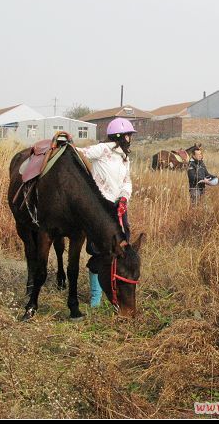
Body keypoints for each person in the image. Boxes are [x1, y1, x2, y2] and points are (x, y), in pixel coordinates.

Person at [78, 117, 135, 308]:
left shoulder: (125, 158)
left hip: (119, 209)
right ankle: (95, 297)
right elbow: (81, 153)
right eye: (129, 135)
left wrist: (125, 197)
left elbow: (127, 181)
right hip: (100, 211)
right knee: (98, 251)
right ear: (120, 136)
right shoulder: (103, 150)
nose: (130, 138)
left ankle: (117, 291)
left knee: (120, 251)